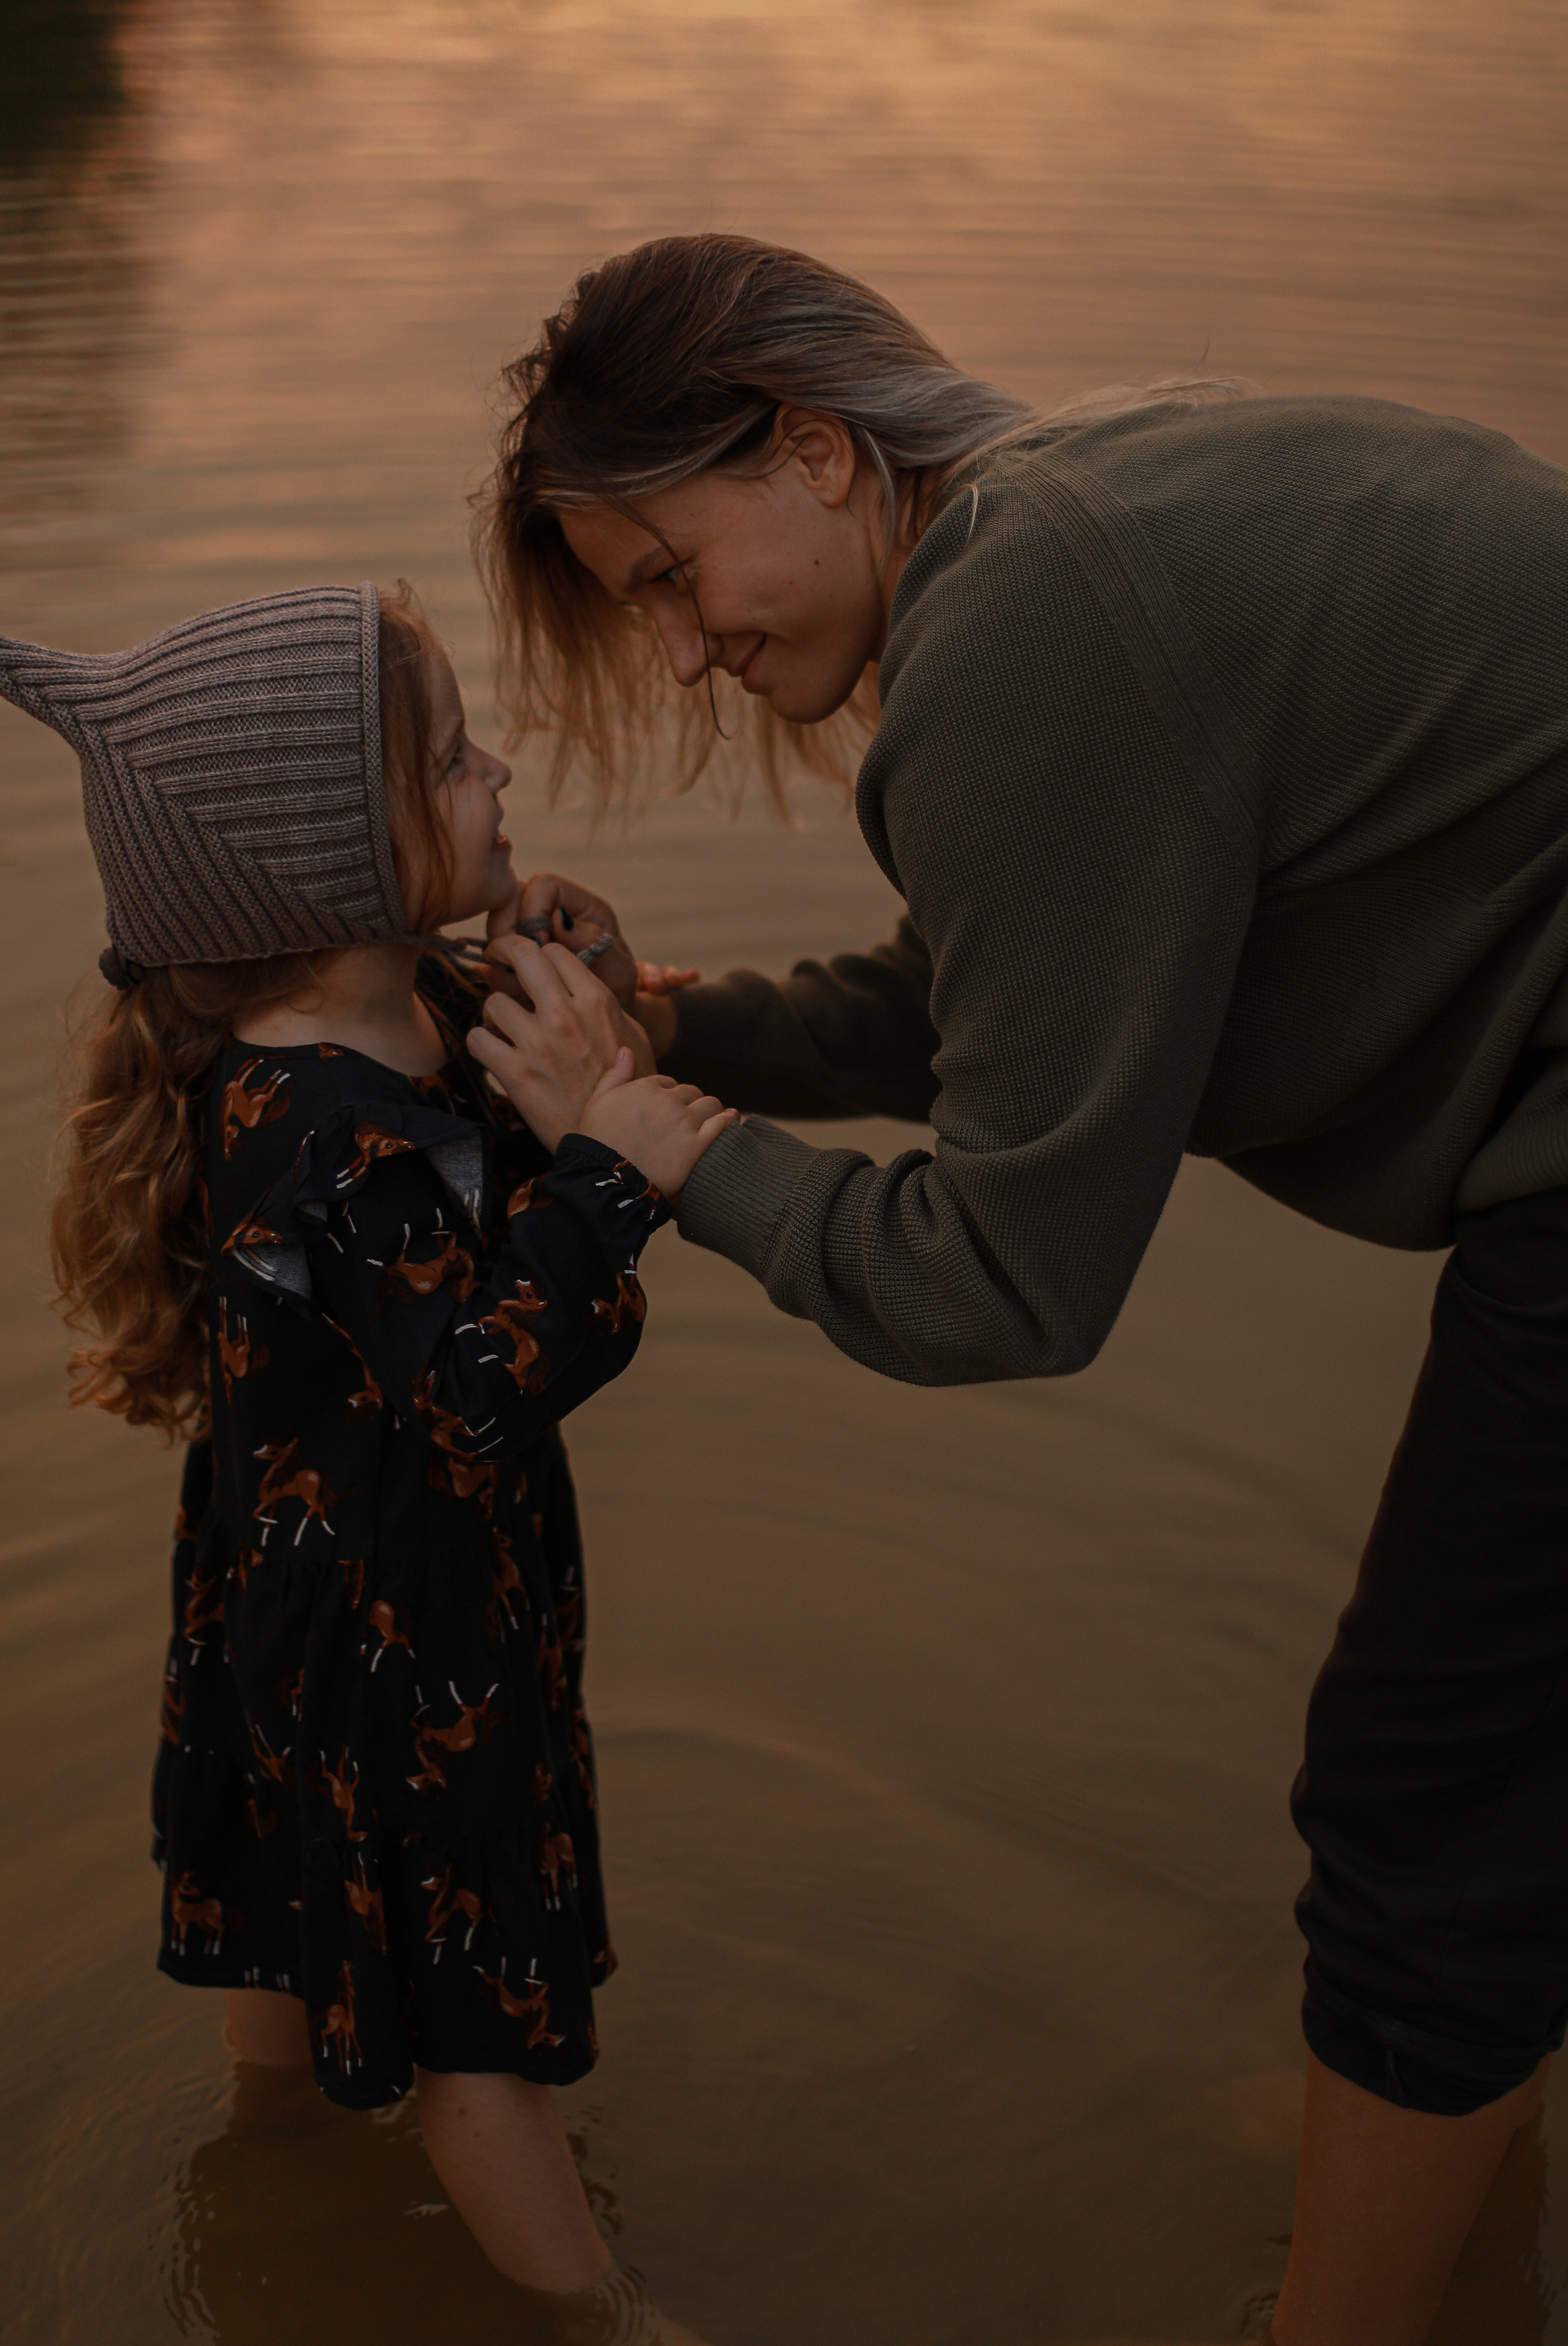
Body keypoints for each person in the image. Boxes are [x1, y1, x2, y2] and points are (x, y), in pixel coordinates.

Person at [473, 234, 1568, 2346]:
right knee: (1508, 1753)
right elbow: (1007, 994)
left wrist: (666, 1149)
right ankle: (1435, 2158)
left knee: (1425, 1779)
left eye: (671, 576)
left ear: (809, 451)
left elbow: (1003, 1284)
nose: (684, 651)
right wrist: (669, 1025)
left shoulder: (1031, 629)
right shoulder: (1069, 502)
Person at [0, 580, 732, 2341]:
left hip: (318, 1583)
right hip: (399, 1634)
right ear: (323, 867)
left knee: (301, 1889)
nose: (500, 767)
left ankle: (269, 2156)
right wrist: (619, 1175)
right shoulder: (319, 1125)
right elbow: (473, 1385)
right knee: (469, 2033)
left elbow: (468, 1224)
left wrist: (584, 995)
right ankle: (598, 2319)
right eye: (454, 759)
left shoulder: (388, 1016)